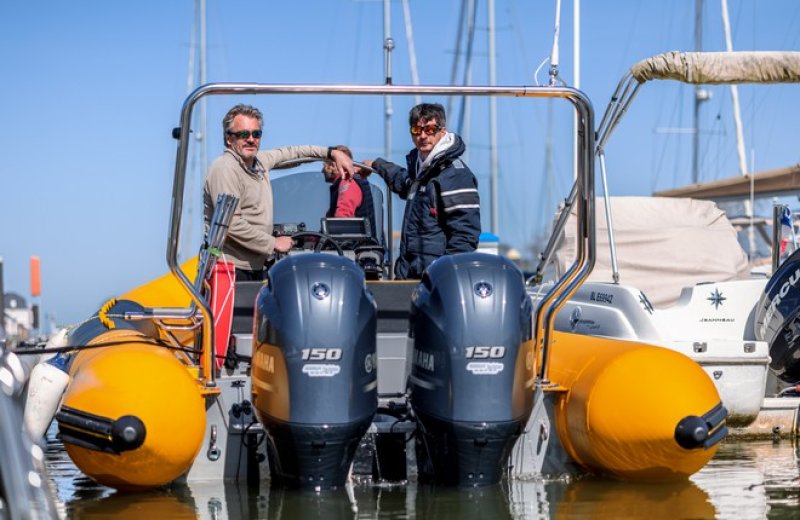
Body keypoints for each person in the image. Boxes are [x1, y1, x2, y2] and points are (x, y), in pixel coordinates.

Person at [203, 104, 354, 281]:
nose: (251, 139)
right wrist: (273, 243)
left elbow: (293, 154)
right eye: (244, 134)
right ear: (229, 139)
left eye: (256, 134)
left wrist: (331, 153)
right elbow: (230, 225)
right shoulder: (225, 168)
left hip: (255, 266)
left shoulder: (259, 162)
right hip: (229, 269)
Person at [364, 103, 480, 279]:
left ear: (442, 131)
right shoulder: (423, 170)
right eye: (417, 130)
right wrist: (376, 164)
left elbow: (465, 235)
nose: (423, 136)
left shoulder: (454, 174)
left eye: (430, 129)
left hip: (433, 278)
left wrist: (443, 276)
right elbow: (403, 182)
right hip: (410, 272)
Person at [321, 145, 379, 241]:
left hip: (357, 250)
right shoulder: (345, 182)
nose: (322, 170)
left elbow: (342, 219)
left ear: (333, 165)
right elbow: (331, 220)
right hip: (356, 247)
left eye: (324, 166)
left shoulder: (349, 182)